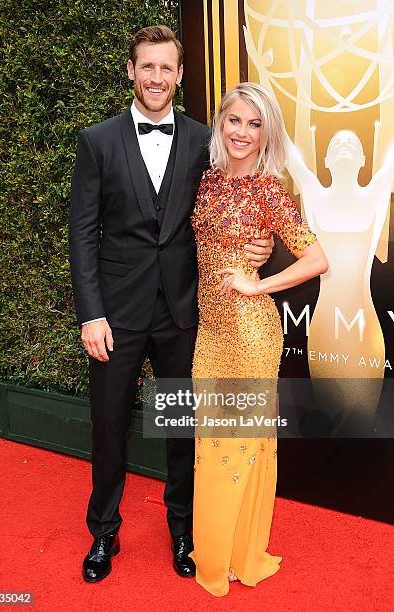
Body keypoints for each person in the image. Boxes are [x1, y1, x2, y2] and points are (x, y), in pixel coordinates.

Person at [68, 26, 274, 583]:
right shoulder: (98, 141)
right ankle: (103, 533)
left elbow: (240, 197)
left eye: (167, 68)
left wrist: (264, 243)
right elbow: (82, 233)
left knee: (180, 430)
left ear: (182, 76)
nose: (157, 78)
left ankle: (183, 533)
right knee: (109, 428)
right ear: (131, 71)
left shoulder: (205, 139)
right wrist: (90, 313)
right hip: (115, 316)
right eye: (147, 67)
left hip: (184, 317)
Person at [189, 82, 328, 596]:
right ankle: (221, 551)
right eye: (234, 121)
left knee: (238, 445)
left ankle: (235, 555)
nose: (242, 133)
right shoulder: (207, 181)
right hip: (210, 331)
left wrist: (259, 283)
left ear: (266, 132)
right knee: (214, 443)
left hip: (251, 333)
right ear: (220, 124)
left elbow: (316, 259)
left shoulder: (270, 190)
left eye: (254, 124)